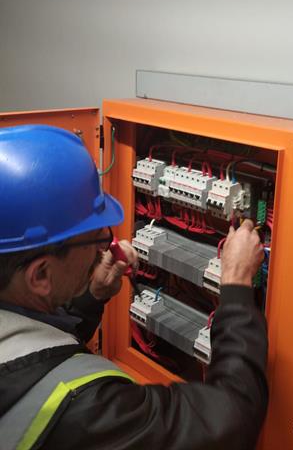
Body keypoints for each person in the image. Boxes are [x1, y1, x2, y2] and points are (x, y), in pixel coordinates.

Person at [0, 124, 268, 450]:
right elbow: (233, 420)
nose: (106, 246)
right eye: (94, 237)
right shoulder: (85, 407)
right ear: (40, 275)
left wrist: (91, 297)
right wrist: (237, 285)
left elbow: (33, 359)